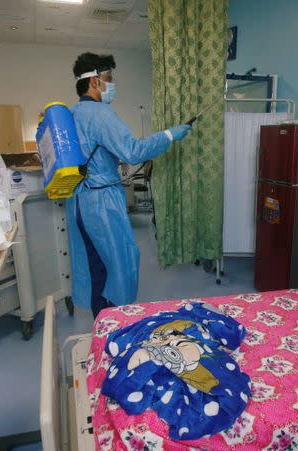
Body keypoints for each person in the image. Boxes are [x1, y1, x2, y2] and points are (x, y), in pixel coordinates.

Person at [66, 52, 192, 318]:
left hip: (78, 201)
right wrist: (170, 134)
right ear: (93, 81)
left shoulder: (72, 113)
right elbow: (133, 151)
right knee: (120, 263)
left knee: (95, 264)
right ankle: (115, 326)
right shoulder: (100, 113)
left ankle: (101, 323)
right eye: (108, 78)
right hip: (101, 203)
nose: (111, 84)